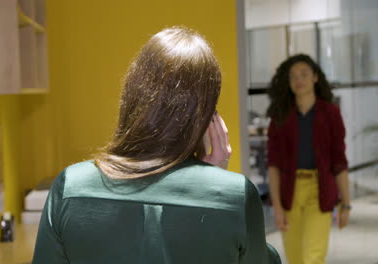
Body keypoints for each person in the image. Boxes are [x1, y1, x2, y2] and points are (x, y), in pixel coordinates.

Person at [32, 27, 280, 264]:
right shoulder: (235, 195)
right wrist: (216, 179)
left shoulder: (69, 187)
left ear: (132, 96)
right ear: (206, 117)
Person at [266, 54, 350, 264]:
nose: (298, 80)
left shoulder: (330, 113)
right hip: (289, 193)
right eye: (293, 76)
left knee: (313, 258)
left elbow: (339, 161)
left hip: (319, 191)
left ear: (315, 78)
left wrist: (346, 203)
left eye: (304, 74)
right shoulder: (280, 116)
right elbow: (273, 165)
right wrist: (276, 207)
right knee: (295, 258)